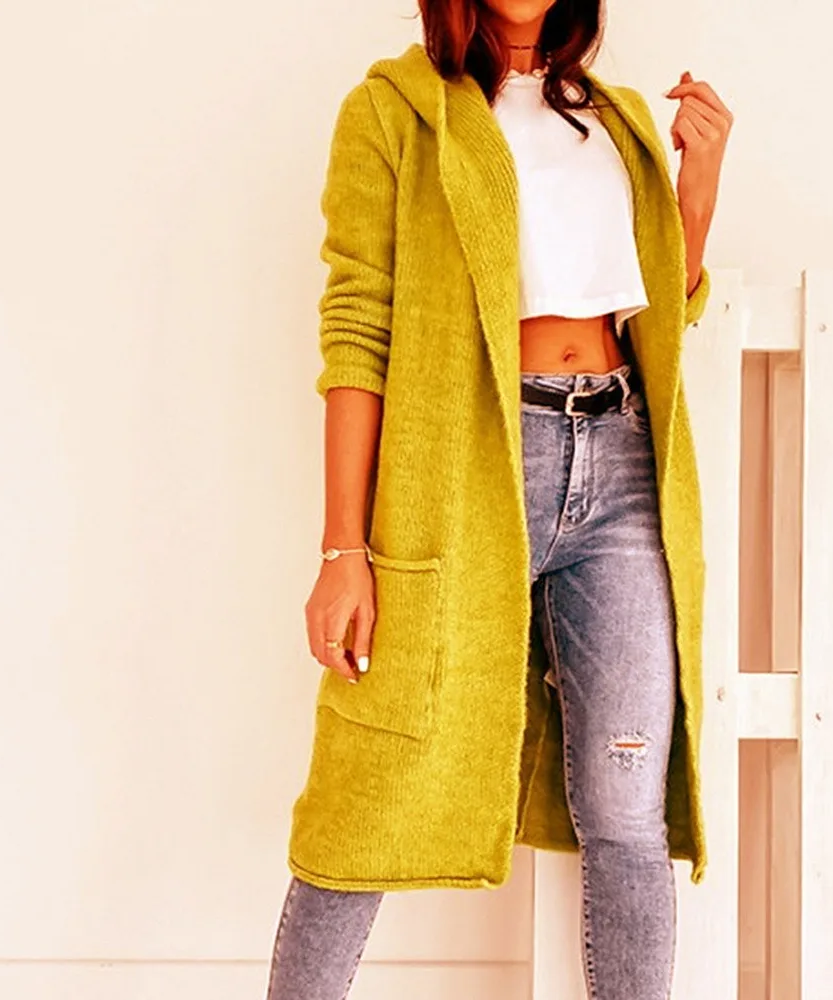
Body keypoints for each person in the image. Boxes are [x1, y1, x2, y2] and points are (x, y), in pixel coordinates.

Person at [266, 1, 731, 997]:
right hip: (473, 463)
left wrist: (696, 188)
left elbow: (663, 308)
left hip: (621, 460)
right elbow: (358, 329)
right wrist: (343, 549)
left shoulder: (615, 115)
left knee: (627, 807)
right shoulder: (396, 109)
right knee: (372, 786)